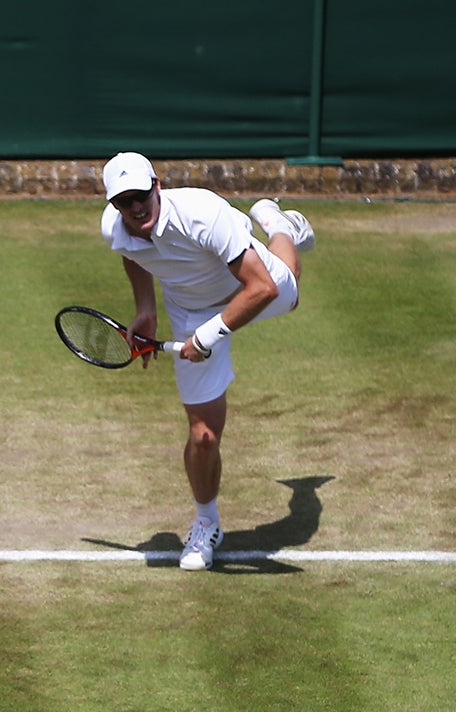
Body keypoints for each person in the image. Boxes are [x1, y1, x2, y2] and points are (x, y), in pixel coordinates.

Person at [100, 152, 314, 571]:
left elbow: (263, 288)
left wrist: (206, 335)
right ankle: (206, 522)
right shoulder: (116, 227)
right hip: (190, 311)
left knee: (289, 280)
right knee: (203, 437)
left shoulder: (202, 213)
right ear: (114, 206)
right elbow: (133, 255)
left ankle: (280, 224)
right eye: (124, 201)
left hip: (250, 288)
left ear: (157, 185)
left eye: (141, 195)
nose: (135, 207)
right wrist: (146, 308)